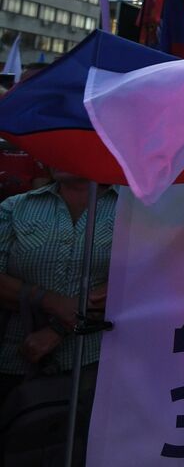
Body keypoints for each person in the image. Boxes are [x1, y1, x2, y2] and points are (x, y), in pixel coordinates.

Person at [0, 172, 117, 462]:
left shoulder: (129, 209)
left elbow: (137, 277)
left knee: (86, 450)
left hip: (97, 362)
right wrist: (50, 301)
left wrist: (58, 327)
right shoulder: (16, 207)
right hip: (18, 359)